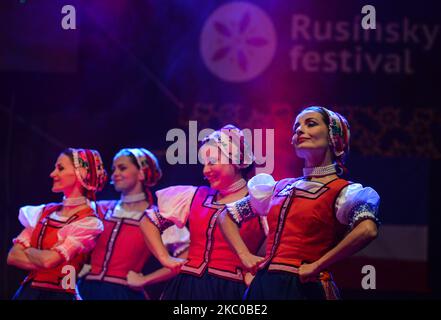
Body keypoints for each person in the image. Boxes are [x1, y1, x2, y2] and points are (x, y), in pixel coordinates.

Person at [219, 106, 380, 300]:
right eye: (296, 127)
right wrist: (245, 255)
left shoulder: (344, 192)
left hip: (304, 288)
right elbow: (226, 216)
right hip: (265, 286)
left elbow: (367, 230)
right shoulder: (278, 188)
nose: (299, 130)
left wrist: (317, 265)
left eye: (310, 124)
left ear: (333, 137)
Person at [141, 125, 268, 300]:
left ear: (236, 160)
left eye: (212, 162)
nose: (205, 170)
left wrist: (257, 273)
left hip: (229, 291)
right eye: (204, 164)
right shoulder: (195, 196)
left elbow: (276, 248)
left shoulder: (258, 200)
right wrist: (166, 259)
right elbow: (149, 221)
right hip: (187, 289)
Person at [78, 148, 189, 300]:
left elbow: (187, 256)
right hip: (86, 291)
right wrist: (79, 265)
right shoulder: (99, 208)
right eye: (113, 169)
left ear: (142, 172)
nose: (115, 173)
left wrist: (146, 279)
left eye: (122, 168)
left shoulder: (157, 217)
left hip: (123, 294)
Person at [7, 148, 107, 300]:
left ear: (82, 173)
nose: (53, 174)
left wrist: (29, 251)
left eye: (60, 168)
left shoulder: (88, 222)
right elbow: (13, 256)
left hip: (61, 295)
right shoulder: (43, 212)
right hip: (28, 293)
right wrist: (45, 260)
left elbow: (49, 261)